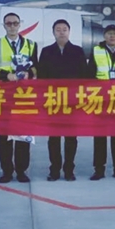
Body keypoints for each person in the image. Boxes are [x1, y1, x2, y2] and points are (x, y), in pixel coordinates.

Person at [37, 19, 88, 181]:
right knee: (54, 137)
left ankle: (69, 169)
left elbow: (84, 76)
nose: (61, 32)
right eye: (58, 29)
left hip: (72, 101)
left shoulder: (78, 51)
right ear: (53, 32)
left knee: (71, 137)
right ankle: (54, 169)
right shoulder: (47, 51)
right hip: (53, 100)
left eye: (64, 29)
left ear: (69, 32)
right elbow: (42, 77)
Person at [0, 12, 38, 183]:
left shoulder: (31, 44)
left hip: (24, 95)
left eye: (15, 23)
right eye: (9, 23)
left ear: (20, 24)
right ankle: (6, 171)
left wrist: (28, 73)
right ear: (4, 26)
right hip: (4, 94)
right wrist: (7, 76)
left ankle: (21, 170)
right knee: (4, 136)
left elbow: (36, 67)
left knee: (23, 134)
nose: (12, 26)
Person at [86, 24, 115, 181]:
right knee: (100, 136)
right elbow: (90, 74)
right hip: (101, 99)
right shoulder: (96, 50)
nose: (112, 36)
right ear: (104, 36)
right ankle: (99, 169)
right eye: (109, 33)